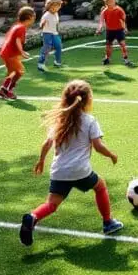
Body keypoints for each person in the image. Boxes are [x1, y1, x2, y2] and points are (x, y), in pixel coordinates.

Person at [20, 78, 123, 245]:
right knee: (100, 186)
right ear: (88, 99)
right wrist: (111, 155)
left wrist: (41, 161)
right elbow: (98, 146)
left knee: (52, 204)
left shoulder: (60, 120)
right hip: (80, 170)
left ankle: (32, 217)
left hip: (59, 171)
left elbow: (47, 144)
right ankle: (108, 222)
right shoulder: (90, 120)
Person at [0, 5, 36, 99]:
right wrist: (22, 52)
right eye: (34, 16)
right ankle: (6, 89)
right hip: (9, 54)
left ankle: (5, 89)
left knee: (13, 72)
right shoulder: (21, 28)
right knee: (19, 71)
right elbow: (17, 41)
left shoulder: (17, 26)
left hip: (7, 53)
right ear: (30, 17)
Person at [96, 0, 135, 68]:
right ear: (106, 2)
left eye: (112, 0)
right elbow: (101, 22)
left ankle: (126, 60)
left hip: (119, 30)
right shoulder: (104, 11)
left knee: (123, 45)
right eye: (109, 1)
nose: (111, 2)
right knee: (108, 46)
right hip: (109, 31)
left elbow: (123, 21)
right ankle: (107, 58)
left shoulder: (119, 10)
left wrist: (125, 29)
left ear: (114, 1)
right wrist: (99, 29)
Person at [37, 0, 62, 72]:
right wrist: (42, 24)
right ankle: (41, 64)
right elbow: (40, 25)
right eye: (53, 7)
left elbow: (56, 23)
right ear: (49, 7)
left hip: (54, 33)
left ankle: (57, 62)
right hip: (47, 33)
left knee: (58, 46)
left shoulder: (56, 14)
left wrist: (58, 31)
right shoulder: (46, 15)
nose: (55, 9)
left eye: (57, 7)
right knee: (47, 47)